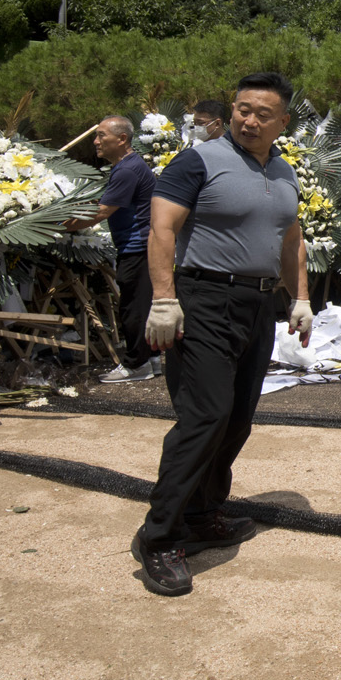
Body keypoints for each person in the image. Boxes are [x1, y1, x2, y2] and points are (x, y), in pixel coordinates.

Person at [132, 72, 314, 597]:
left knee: (235, 419)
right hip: (202, 299)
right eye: (242, 109)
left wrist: (299, 297)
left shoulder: (283, 173)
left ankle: (203, 512)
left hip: (257, 305)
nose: (249, 120)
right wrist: (165, 300)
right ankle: (161, 536)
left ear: (283, 122)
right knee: (204, 414)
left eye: (262, 114)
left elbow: (290, 237)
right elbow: (161, 228)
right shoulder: (198, 161)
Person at [61, 116, 160, 383]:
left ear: (122, 139)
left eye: (102, 135)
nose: (96, 141)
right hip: (142, 245)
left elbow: (102, 212)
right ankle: (151, 358)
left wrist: (56, 225)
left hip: (137, 246)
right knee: (142, 304)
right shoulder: (128, 166)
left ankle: (136, 364)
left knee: (133, 307)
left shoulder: (127, 169)